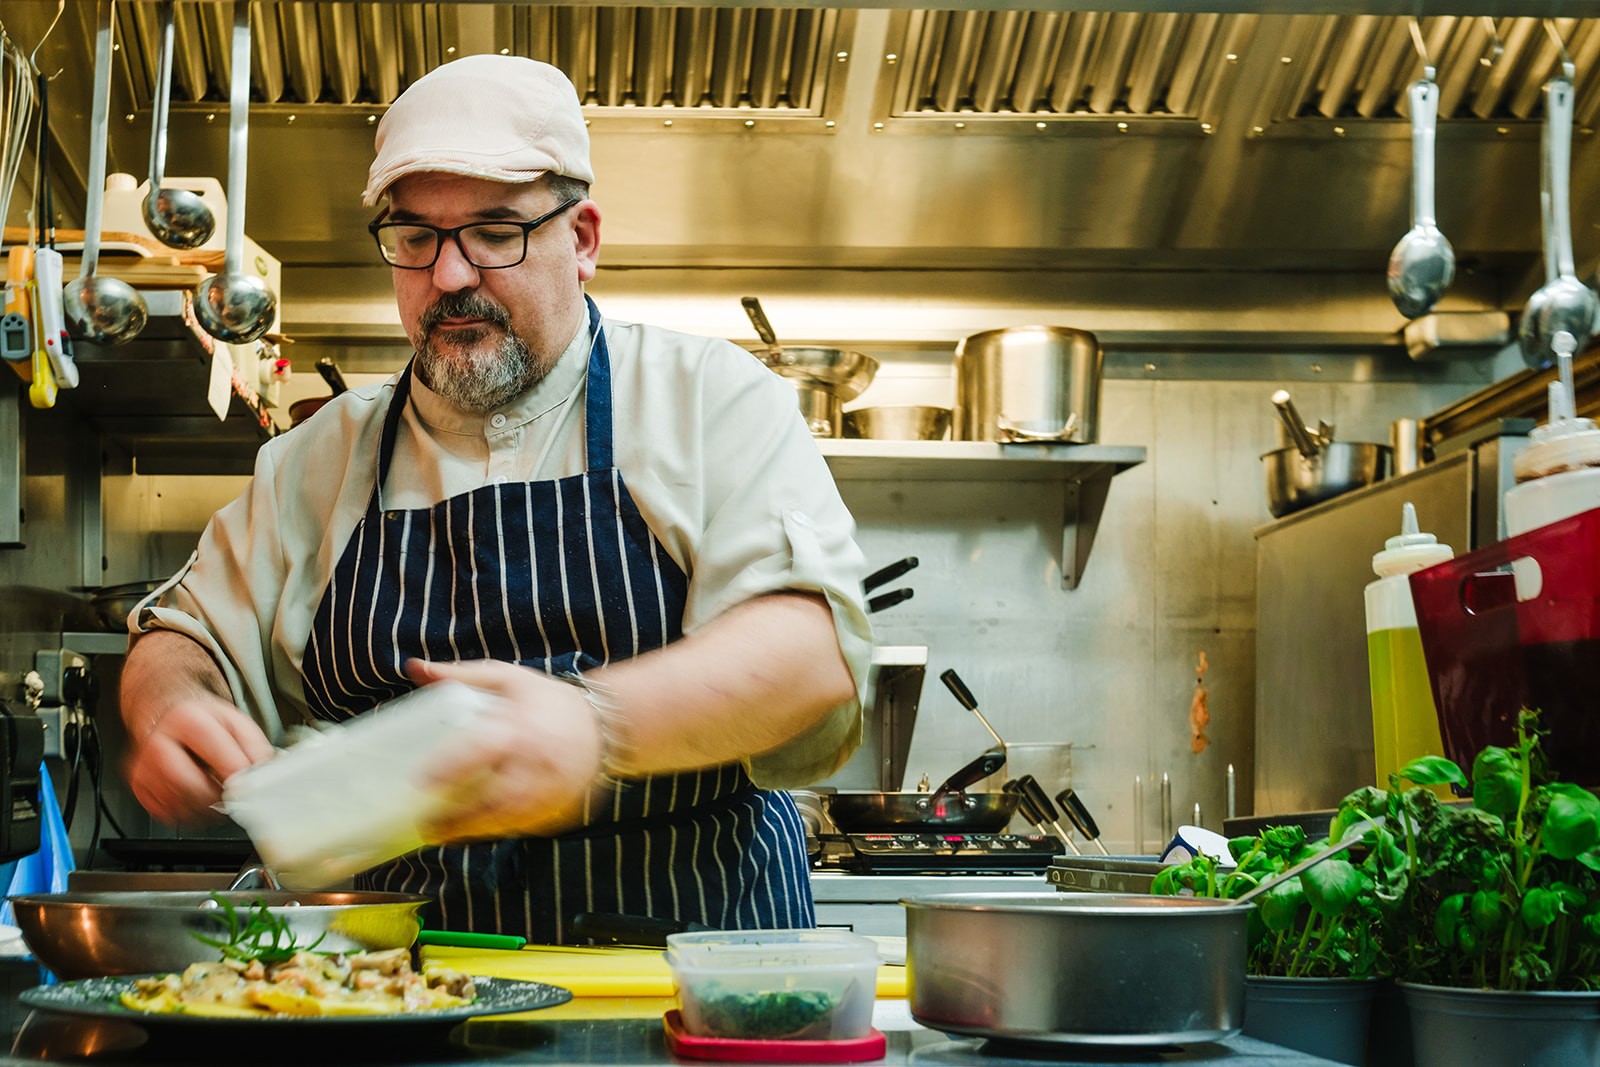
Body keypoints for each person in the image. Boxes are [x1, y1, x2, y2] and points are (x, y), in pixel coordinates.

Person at [118, 54, 871, 943]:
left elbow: (806, 654)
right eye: (415, 238)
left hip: (682, 970)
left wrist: (595, 722)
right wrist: (174, 707)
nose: (449, 277)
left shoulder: (709, 396)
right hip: (393, 989)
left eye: (494, 232)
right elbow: (183, 637)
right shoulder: (314, 460)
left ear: (581, 238)